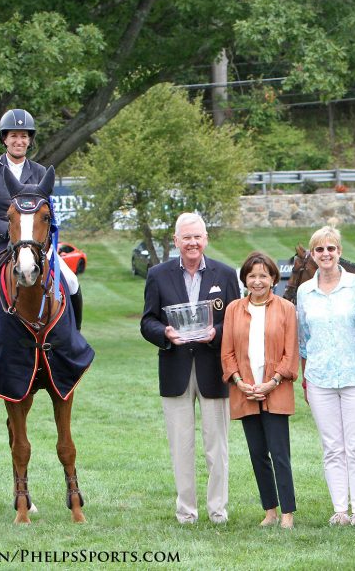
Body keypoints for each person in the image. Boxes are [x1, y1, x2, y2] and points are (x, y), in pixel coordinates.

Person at [140, 213, 240, 524]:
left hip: (214, 368)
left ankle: (218, 509)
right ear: (176, 241)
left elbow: (235, 321)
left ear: (206, 239)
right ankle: (186, 510)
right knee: (181, 445)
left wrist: (216, 333)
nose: (192, 243)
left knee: (217, 446)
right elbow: (148, 321)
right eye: (186, 238)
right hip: (175, 369)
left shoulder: (225, 274)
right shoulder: (158, 275)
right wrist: (165, 334)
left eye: (197, 237)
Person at [0, 109, 81, 324]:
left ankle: (74, 337)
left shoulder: (39, 172)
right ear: (5, 139)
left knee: (72, 282)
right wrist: (10, 232)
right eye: (14, 136)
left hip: (35, 246)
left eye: (24, 136)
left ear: (29, 141)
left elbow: (46, 214)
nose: (19, 141)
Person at [297, 226, 355, 527]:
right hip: (319, 376)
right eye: (319, 250)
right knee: (332, 445)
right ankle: (340, 508)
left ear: (339, 251)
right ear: (313, 255)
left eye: (331, 248)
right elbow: (304, 337)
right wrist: (305, 378)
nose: (325, 254)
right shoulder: (305, 291)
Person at [221, 252, 299, 529]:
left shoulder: (286, 309)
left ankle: (288, 512)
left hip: (275, 389)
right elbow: (227, 352)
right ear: (245, 279)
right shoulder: (233, 309)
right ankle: (270, 510)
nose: (257, 281)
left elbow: (291, 353)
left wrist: (273, 382)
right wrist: (239, 382)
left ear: (274, 279)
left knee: (279, 453)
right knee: (257, 453)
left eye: (263, 276)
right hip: (245, 391)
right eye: (252, 276)